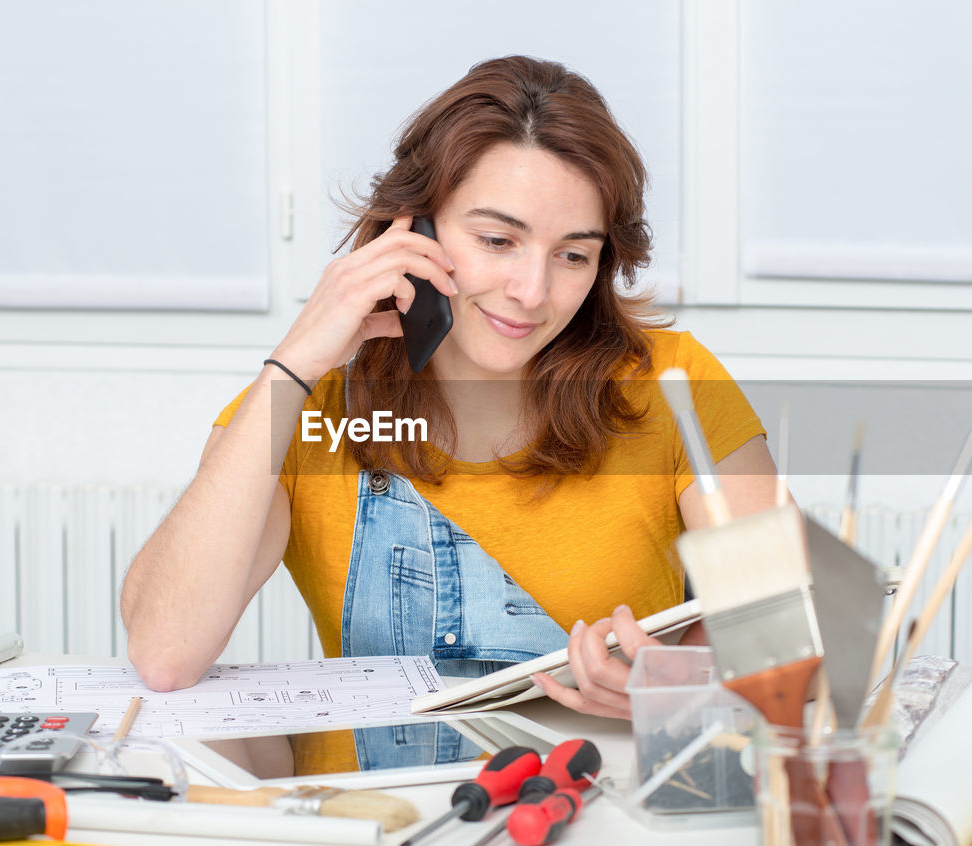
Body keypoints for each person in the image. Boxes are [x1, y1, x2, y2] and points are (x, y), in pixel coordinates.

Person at [121, 56, 779, 745]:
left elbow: (791, 655)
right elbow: (166, 654)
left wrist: (675, 687)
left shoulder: (672, 384)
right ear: (415, 231)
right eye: (498, 240)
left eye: (573, 255)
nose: (532, 290)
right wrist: (295, 362)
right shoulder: (306, 408)